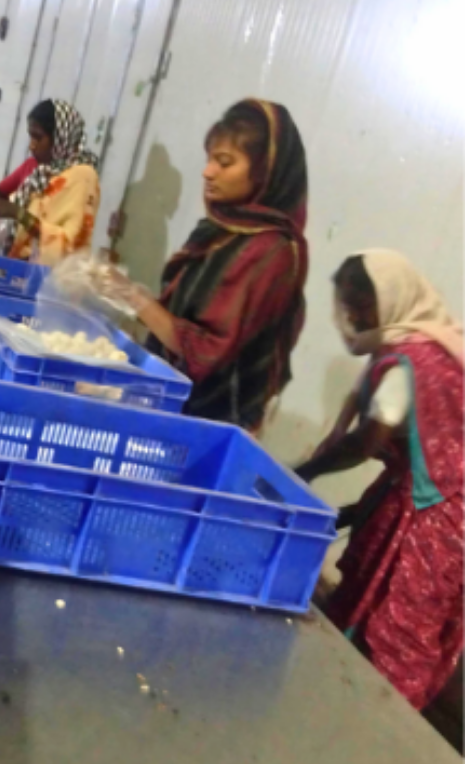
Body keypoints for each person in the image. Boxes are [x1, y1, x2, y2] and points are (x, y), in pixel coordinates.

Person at [295, 251, 463, 711]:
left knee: (398, 625)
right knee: (385, 601)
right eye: (347, 305)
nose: (352, 316)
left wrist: (302, 472)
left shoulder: (406, 363)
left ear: (390, 301)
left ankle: (377, 720)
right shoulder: (440, 347)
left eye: (362, 306)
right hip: (435, 501)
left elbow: (365, 443)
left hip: (434, 518)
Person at [100, 99, 308, 432]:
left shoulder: (271, 252)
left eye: (225, 162)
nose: (208, 171)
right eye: (210, 159)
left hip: (212, 420)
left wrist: (131, 296)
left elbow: (204, 351)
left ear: (265, 172)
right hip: (176, 399)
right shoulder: (220, 230)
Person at [0, 99, 100, 266]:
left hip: (52, 280)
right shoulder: (45, 173)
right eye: (31, 137)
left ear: (60, 138)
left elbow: (72, 243)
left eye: (38, 138)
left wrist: (19, 214)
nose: (32, 146)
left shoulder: (83, 177)